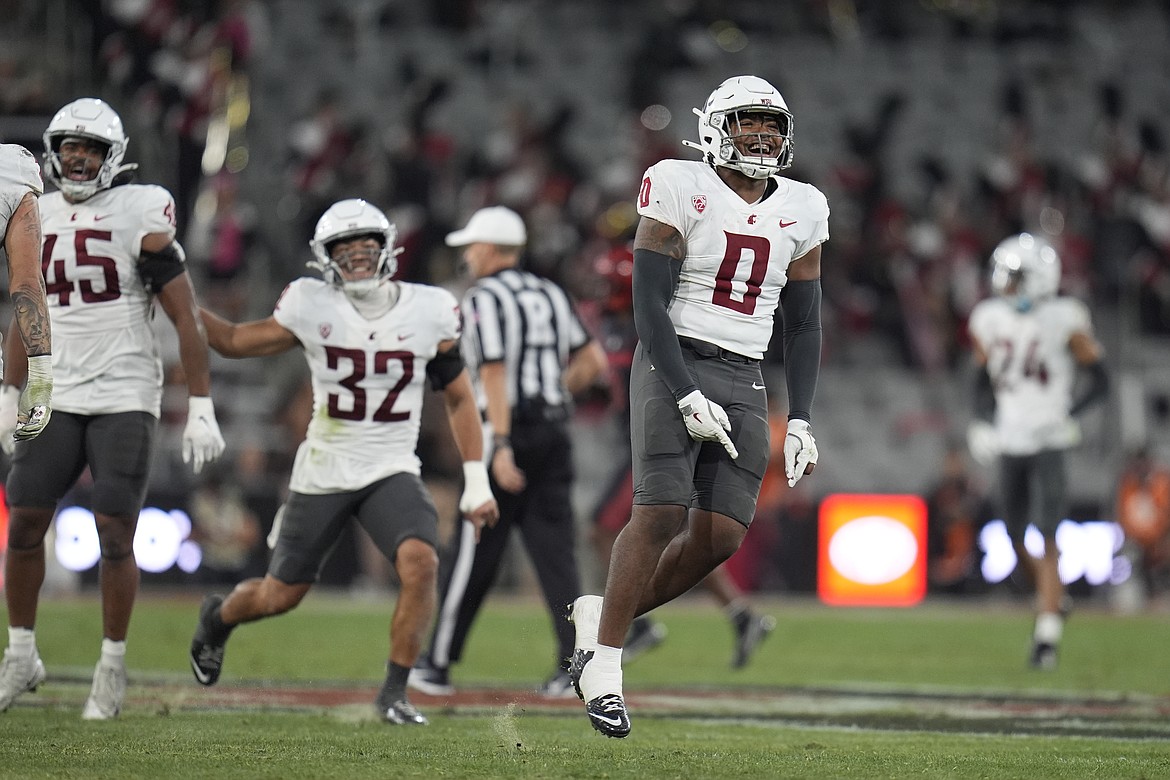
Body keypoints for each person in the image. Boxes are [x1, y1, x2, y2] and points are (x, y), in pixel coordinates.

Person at [569, 75, 829, 738]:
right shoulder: (677, 181)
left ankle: (596, 620)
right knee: (657, 512)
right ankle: (606, 671)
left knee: (719, 538)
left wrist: (801, 415)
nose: (764, 134)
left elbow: (803, 324)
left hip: (746, 375)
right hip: (673, 357)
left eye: (772, 124)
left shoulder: (804, 205)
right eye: (749, 121)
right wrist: (683, 390)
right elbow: (648, 301)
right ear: (716, 127)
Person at [188, 199, 498, 726]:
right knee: (279, 595)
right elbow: (237, 342)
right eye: (344, 248)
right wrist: (178, 305)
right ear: (325, 257)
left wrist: (475, 478)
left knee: (422, 564)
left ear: (387, 250)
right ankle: (217, 618)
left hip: (391, 466)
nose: (356, 256)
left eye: (365, 246)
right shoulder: (311, 303)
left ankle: (395, 694)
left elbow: (460, 398)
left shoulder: (429, 308)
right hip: (325, 467)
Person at [0, 99, 226, 720]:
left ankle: (112, 663)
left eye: (90, 148)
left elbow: (185, 315)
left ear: (112, 158)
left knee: (116, 532)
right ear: (53, 152)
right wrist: (8, 386)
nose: (77, 157)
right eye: (69, 146)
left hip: (125, 389)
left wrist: (200, 401)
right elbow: (27, 300)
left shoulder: (139, 209)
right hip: (56, 391)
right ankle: (20, 654)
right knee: (23, 523)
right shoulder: (35, 210)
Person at [408, 205, 607, 699]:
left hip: (508, 435)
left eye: (473, 246)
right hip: (553, 433)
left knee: (471, 552)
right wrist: (551, 394)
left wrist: (499, 442)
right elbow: (593, 361)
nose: (468, 255)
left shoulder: (483, 298)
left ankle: (435, 663)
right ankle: (576, 667)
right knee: (558, 559)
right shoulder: (550, 292)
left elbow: (493, 371)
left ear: (493, 249)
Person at [588, 244, 775, 668]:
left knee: (609, 526)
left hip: (663, 430)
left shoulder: (646, 324)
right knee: (675, 535)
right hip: (646, 434)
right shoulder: (618, 324)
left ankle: (632, 621)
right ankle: (739, 613)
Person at [966, 232, 1109, 670]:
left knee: (1047, 534)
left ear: (1038, 278)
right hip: (1010, 437)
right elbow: (977, 378)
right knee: (1011, 532)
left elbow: (1100, 378)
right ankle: (1054, 597)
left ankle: (1046, 634)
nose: (1005, 285)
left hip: (1049, 437)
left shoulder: (1065, 317)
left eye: (1014, 277)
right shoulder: (989, 318)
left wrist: (1071, 414)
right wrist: (982, 420)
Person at [0, 143, 53, 451]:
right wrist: (41, 377)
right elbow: (26, 285)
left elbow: (26, 285)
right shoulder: (11, 168)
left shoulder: (9, 168)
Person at [1114, 446, 1170, 599]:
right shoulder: (1128, 485)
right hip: (1136, 541)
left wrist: (1158, 539)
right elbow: (1123, 517)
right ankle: (1129, 595)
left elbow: (1165, 515)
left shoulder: (1161, 482)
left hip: (1160, 540)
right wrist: (1139, 537)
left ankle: (1162, 591)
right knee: (1128, 553)